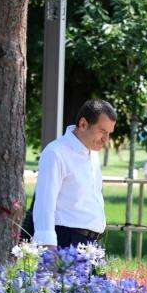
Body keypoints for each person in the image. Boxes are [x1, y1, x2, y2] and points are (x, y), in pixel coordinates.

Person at [32, 99, 116, 249]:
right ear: (83, 124)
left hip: (92, 245)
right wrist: (48, 247)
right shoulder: (56, 153)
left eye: (109, 133)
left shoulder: (93, 154)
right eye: (102, 131)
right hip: (66, 241)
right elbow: (45, 204)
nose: (106, 139)